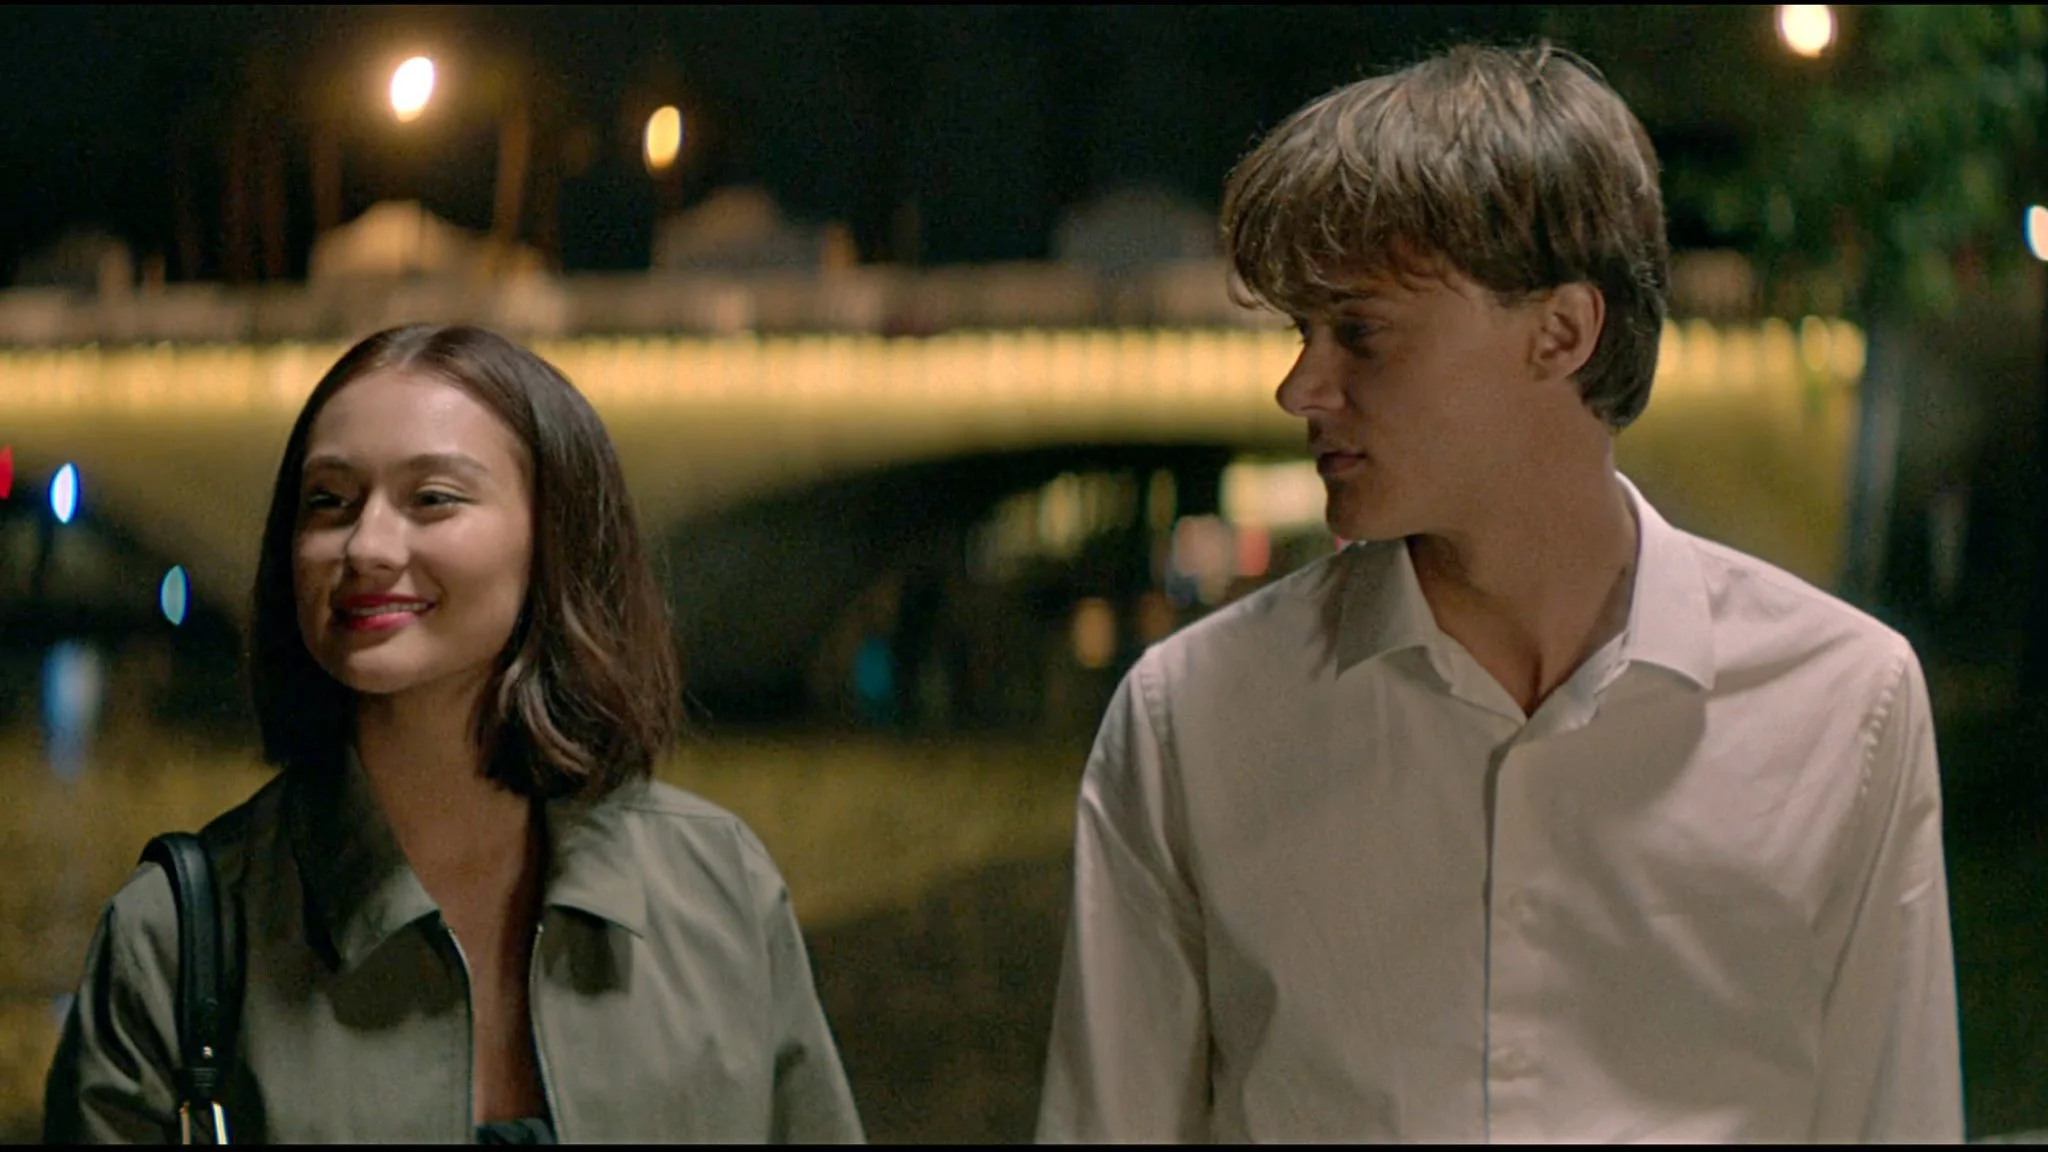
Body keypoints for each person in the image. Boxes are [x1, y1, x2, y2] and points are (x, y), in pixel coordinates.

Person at [1036, 43, 1962, 1144]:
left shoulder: (1845, 707)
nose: (1298, 387)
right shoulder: (1186, 721)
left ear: (1560, 332)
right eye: (1301, 332)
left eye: (1360, 332)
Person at [44, 324, 865, 1143]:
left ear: (557, 539)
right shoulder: (177, 939)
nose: (367, 546)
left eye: (432, 498)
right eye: (328, 502)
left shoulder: (721, 889)